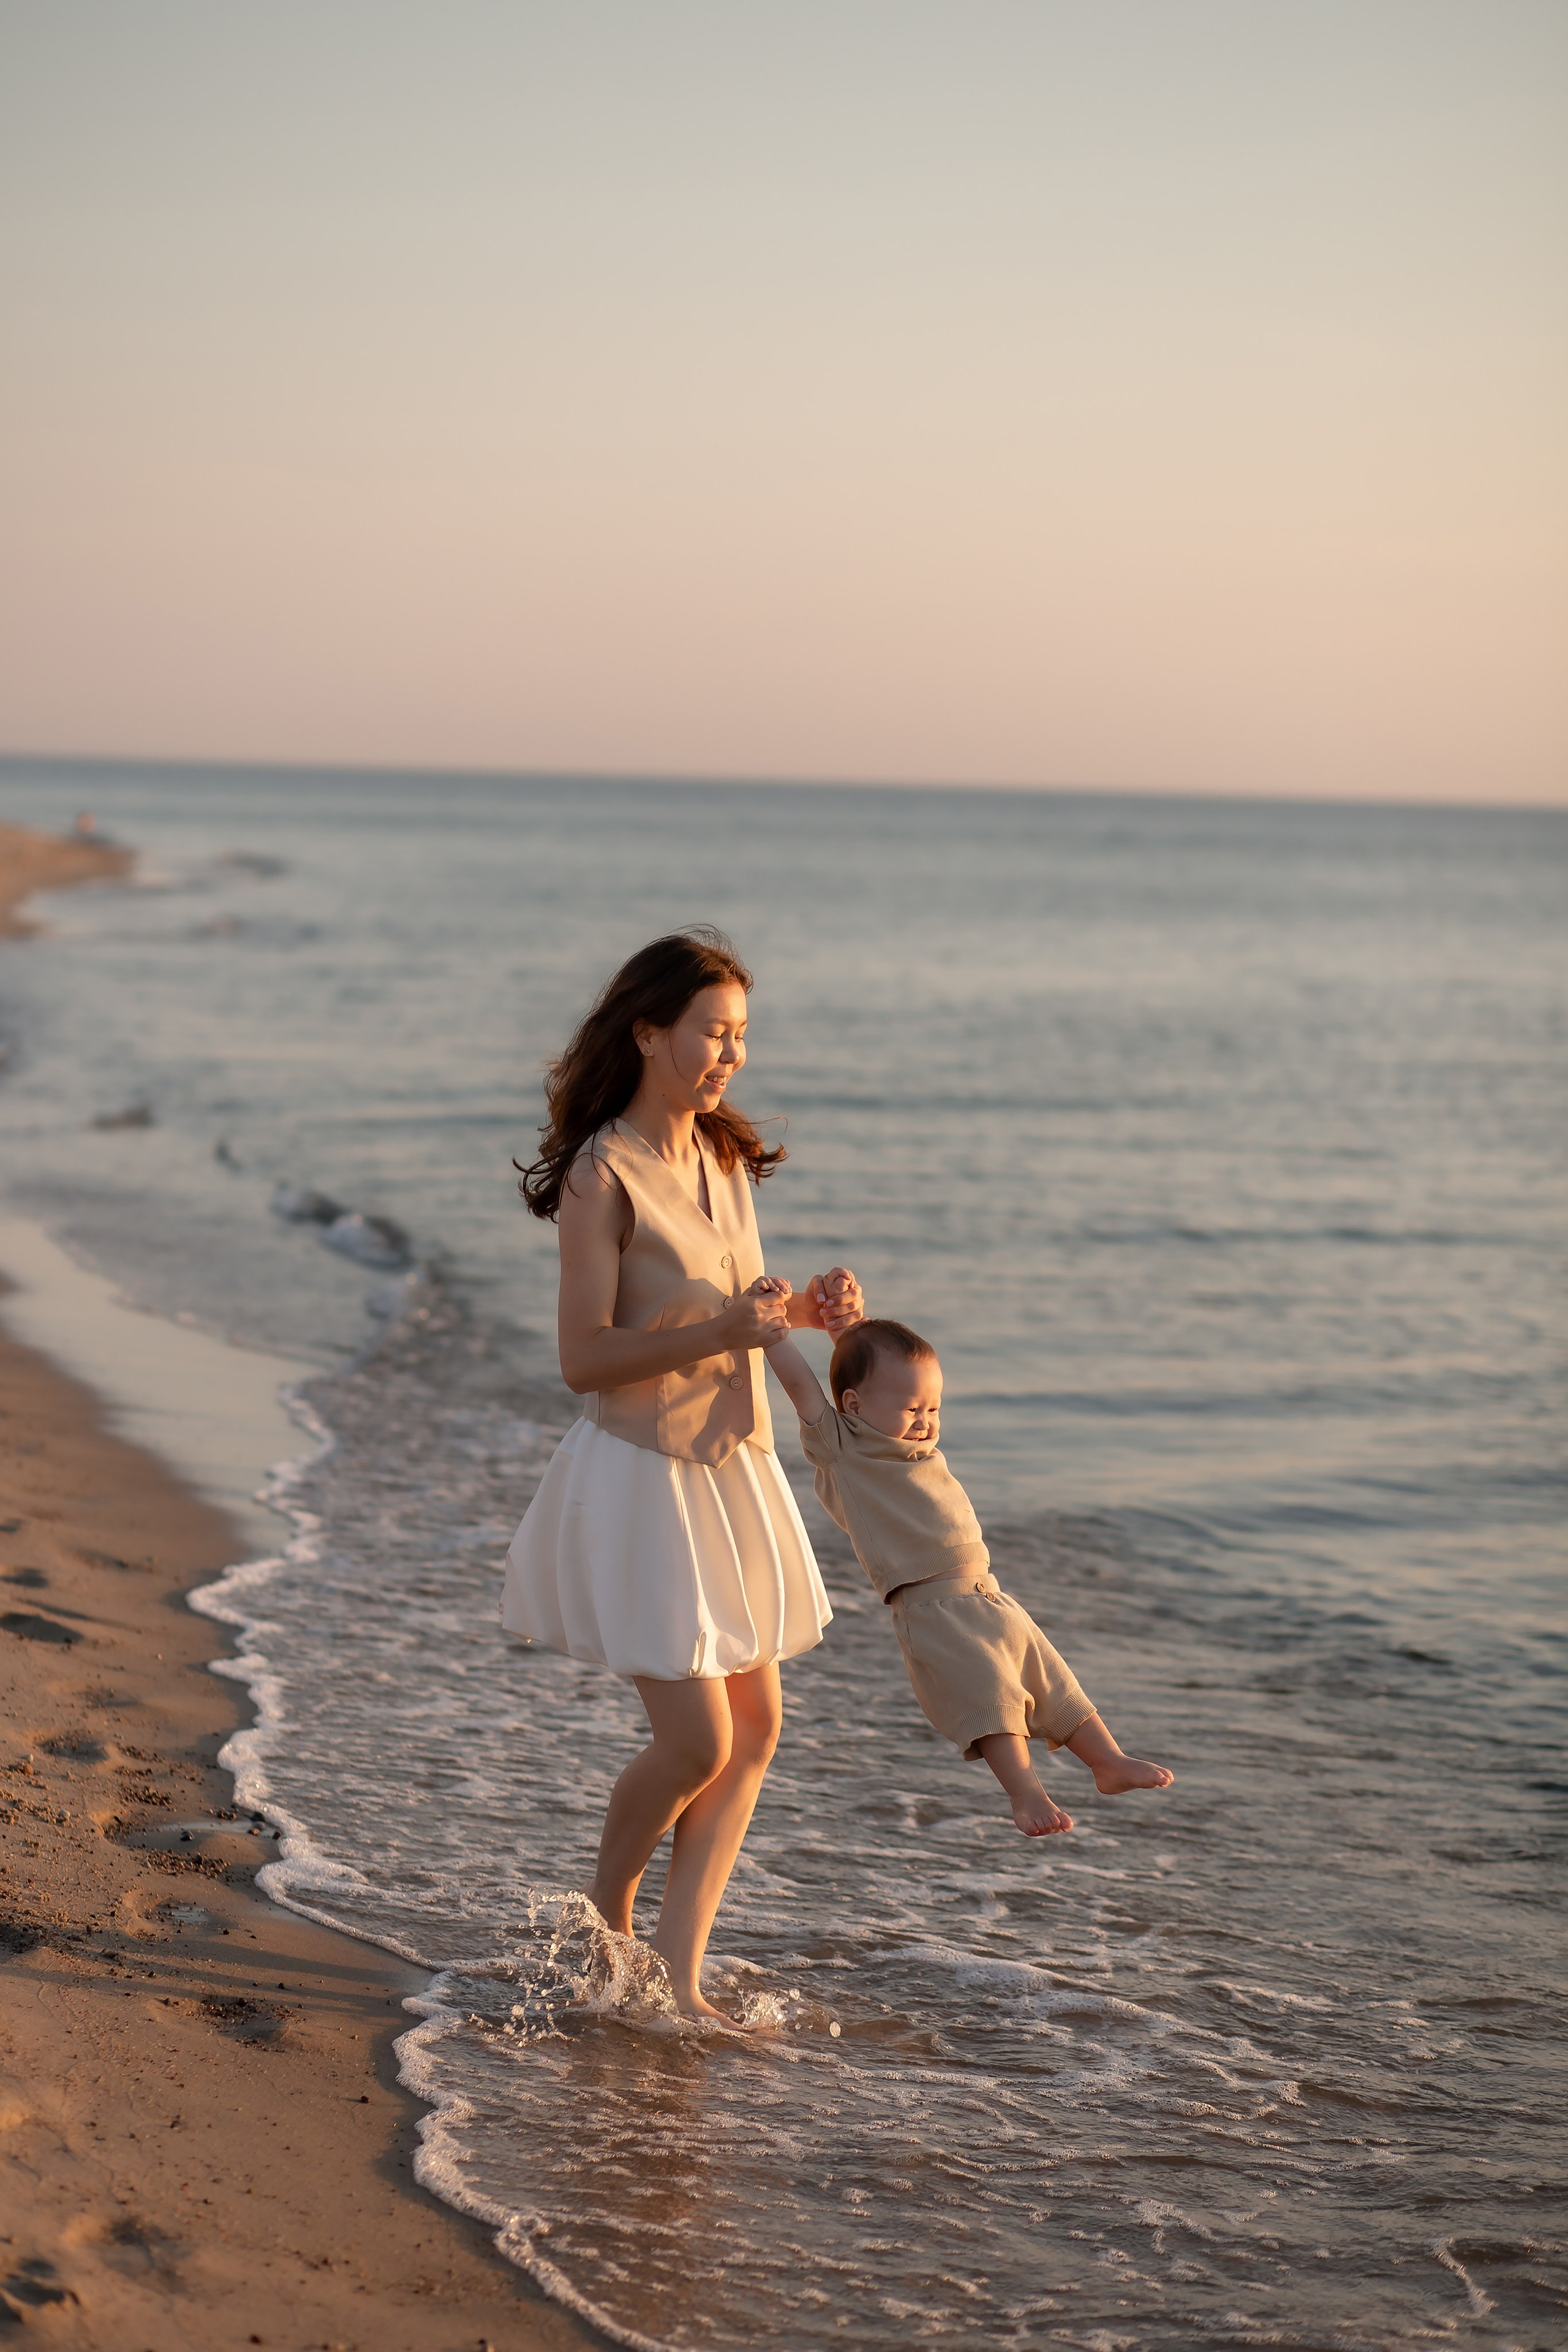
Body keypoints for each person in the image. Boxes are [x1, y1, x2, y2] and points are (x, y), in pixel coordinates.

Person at [503, 930, 864, 2018]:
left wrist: (806, 1315)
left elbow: (730, 1305)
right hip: (643, 1477)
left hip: (729, 1467)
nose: (731, 1055)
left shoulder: (722, 1155)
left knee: (756, 1735)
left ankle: (680, 1979)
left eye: (742, 1036)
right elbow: (584, 1358)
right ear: (649, 1033)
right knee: (698, 1739)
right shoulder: (600, 1175)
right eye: (714, 1032)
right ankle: (606, 1914)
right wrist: (725, 1327)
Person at [756, 1303, 1173, 1836]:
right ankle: (1025, 1793)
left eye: (934, 1408)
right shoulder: (845, 1451)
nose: (926, 1421)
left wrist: (847, 1331)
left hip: (989, 1597)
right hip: (933, 1609)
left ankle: (1108, 1761)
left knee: (1053, 1684)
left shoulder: (914, 1448)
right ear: (854, 1407)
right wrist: (775, 1334)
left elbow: (875, 1371)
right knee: (990, 1700)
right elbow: (804, 1389)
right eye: (912, 1409)